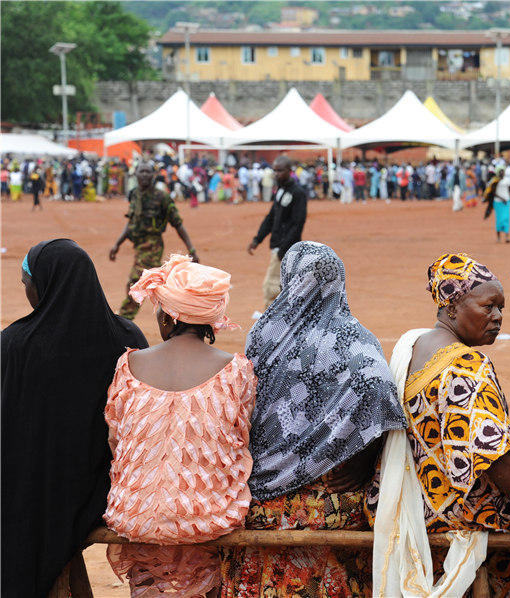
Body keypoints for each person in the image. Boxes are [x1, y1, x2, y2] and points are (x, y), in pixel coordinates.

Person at [371, 253, 510, 597]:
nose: (498, 317)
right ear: (452, 306)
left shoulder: (412, 348)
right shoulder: (467, 364)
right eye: (488, 306)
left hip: (422, 514)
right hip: (470, 517)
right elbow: (494, 454)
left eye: (501, 308)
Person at [222, 242, 406, 597]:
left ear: (288, 278)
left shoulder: (264, 335)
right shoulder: (356, 339)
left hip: (263, 501)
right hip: (330, 505)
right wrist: (363, 463)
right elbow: (380, 392)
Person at [2, 239, 147, 597]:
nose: (27, 292)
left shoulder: (15, 344)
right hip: (106, 494)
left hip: (31, 496)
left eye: (28, 284)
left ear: (46, 285)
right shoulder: (127, 337)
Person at [104, 255, 254, 597]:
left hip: (136, 515)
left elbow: (115, 439)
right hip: (209, 518)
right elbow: (242, 437)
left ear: (169, 316)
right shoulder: (235, 371)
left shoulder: (129, 365)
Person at [109, 161, 199, 320]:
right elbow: (131, 222)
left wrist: (191, 249)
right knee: (151, 285)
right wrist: (117, 244)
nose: (144, 175)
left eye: (147, 172)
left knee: (136, 283)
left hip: (152, 246)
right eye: (141, 171)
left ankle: (124, 320)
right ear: (135, 174)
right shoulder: (135, 194)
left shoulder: (162, 197)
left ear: (153, 175)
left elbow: (178, 224)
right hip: (138, 245)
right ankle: (173, 315)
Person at [247, 156, 308, 307]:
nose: (276, 174)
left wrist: (283, 248)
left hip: (286, 248)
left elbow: (298, 223)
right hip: (277, 245)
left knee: (271, 288)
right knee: (282, 287)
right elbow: (271, 217)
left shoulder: (298, 193)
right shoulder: (280, 190)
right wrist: (257, 239)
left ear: (290, 171)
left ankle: (270, 326)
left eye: (280, 170)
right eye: (274, 171)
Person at [494, 166, 510, 243]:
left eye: (503, 171)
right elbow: (493, 193)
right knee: (499, 220)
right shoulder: (494, 181)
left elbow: (509, 190)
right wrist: (502, 199)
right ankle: (498, 237)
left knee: (506, 219)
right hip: (498, 202)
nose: (502, 172)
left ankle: (506, 237)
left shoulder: (507, 180)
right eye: (500, 171)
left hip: (507, 202)